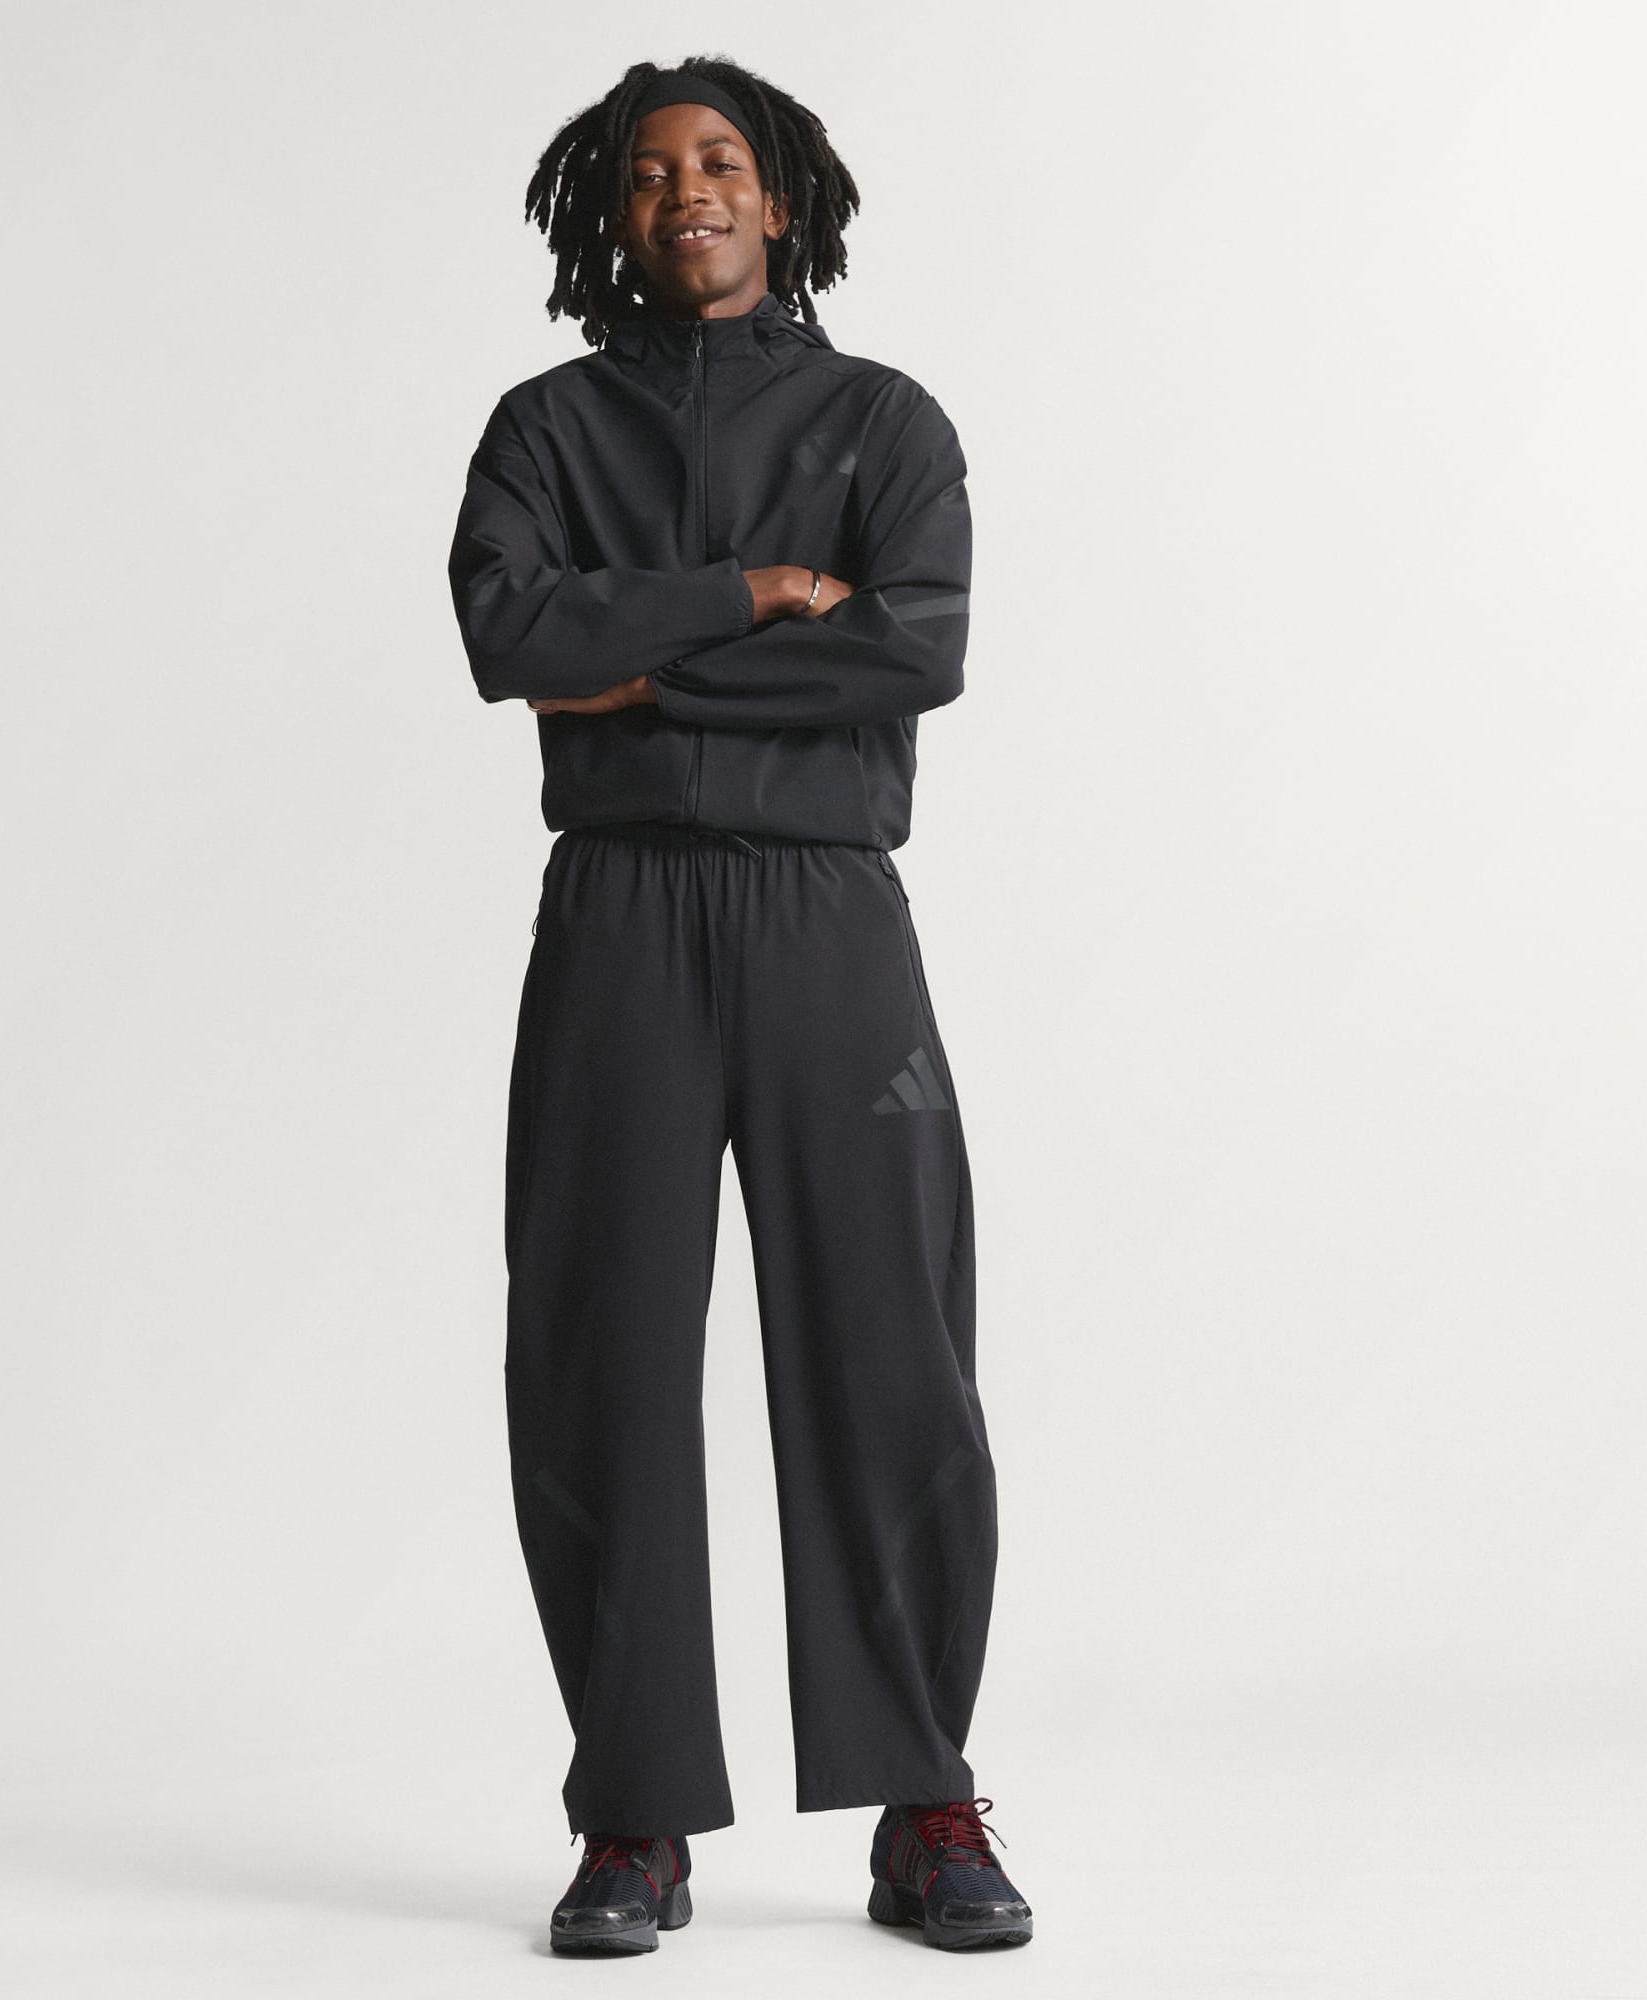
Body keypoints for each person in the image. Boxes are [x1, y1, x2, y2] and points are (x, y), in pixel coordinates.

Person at [448, 54, 1032, 1956]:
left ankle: (924, 1798)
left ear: (781, 197)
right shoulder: (547, 428)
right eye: (647, 171)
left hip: (827, 916)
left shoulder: (885, 422)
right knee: (600, 1349)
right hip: (617, 916)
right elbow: (507, 636)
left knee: (889, 1349)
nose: (683, 190)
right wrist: (752, 596)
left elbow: (912, 654)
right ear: (611, 213)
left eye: (719, 162)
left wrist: (630, 663)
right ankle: (633, 1817)